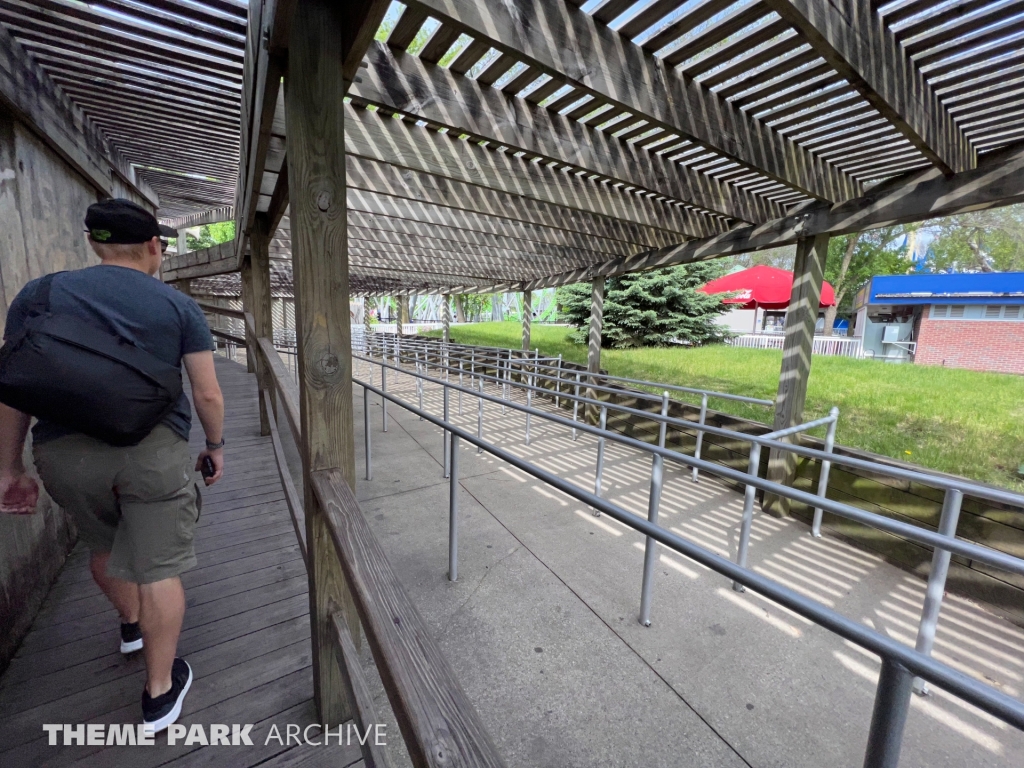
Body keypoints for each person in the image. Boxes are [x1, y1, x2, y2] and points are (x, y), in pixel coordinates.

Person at [0, 198, 225, 733]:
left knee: (102, 544)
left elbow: (13, 388)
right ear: (153, 247)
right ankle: (159, 692)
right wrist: (215, 445)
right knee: (158, 567)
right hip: (152, 451)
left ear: (93, 242)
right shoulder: (176, 306)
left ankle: (131, 624)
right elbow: (207, 393)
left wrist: (9, 468)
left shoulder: (38, 294)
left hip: (64, 453)